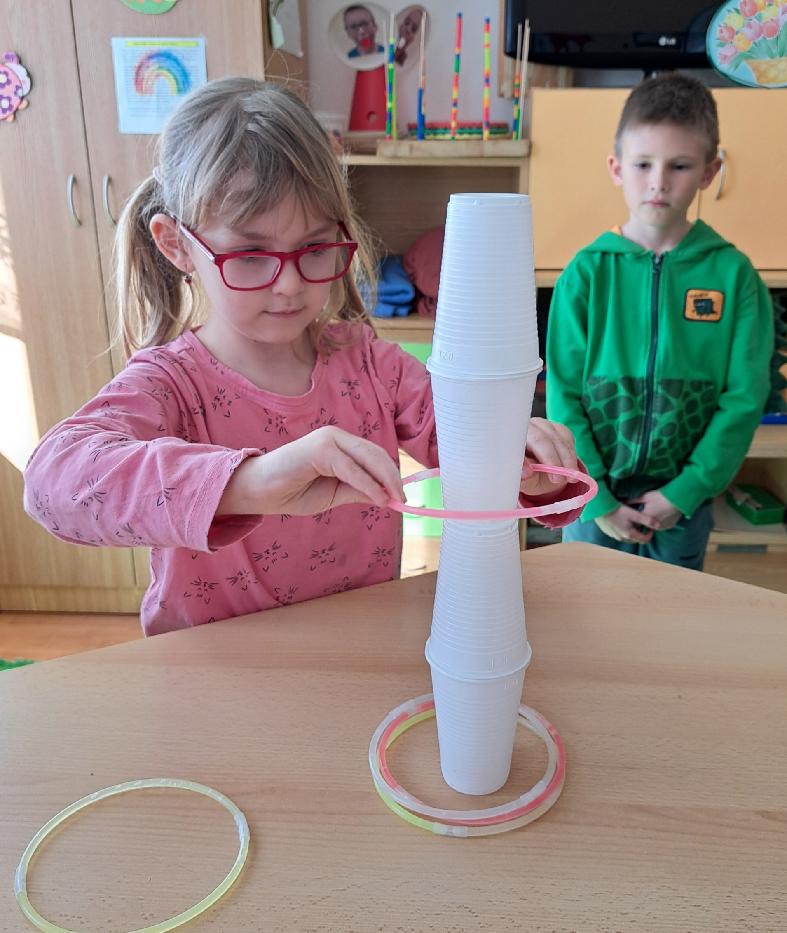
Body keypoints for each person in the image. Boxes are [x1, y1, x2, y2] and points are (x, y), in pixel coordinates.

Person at [24, 77, 583, 637]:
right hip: (210, 666)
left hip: (356, 649)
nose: (289, 284)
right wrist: (251, 483)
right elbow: (51, 485)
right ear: (177, 245)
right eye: (249, 254)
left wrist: (530, 469)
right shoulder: (169, 383)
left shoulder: (370, 364)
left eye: (314, 248)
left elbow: (471, 453)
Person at [546, 72, 774, 571]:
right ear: (616, 167)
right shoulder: (585, 274)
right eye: (643, 164)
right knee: (586, 604)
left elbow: (744, 397)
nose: (658, 182)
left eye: (680, 165)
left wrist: (686, 490)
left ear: (710, 172)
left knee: (674, 610)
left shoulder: (734, 276)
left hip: (682, 501)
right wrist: (597, 497)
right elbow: (563, 395)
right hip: (593, 494)